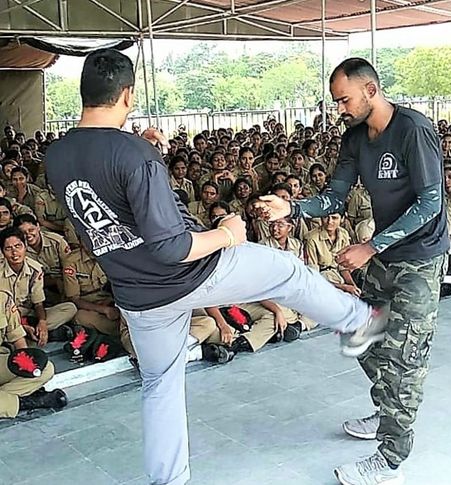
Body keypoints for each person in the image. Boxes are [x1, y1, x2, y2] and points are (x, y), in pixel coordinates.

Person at [45, 49, 379, 485]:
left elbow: (105, 187)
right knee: (287, 271)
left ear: (84, 93)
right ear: (127, 95)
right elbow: (171, 246)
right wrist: (228, 233)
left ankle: (170, 480)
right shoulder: (132, 155)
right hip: (191, 273)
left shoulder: (58, 155)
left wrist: (142, 153)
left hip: (136, 293)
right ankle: (357, 320)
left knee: (160, 383)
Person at [254, 57, 450, 484]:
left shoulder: (413, 131)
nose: (340, 108)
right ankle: (386, 412)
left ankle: (392, 457)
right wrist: (292, 207)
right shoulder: (356, 138)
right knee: (359, 335)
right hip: (386, 255)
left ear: (370, 90)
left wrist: (372, 245)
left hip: (419, 258)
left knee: (406, 357)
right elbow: (334, 196)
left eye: (344, 100)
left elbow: (431, 202)